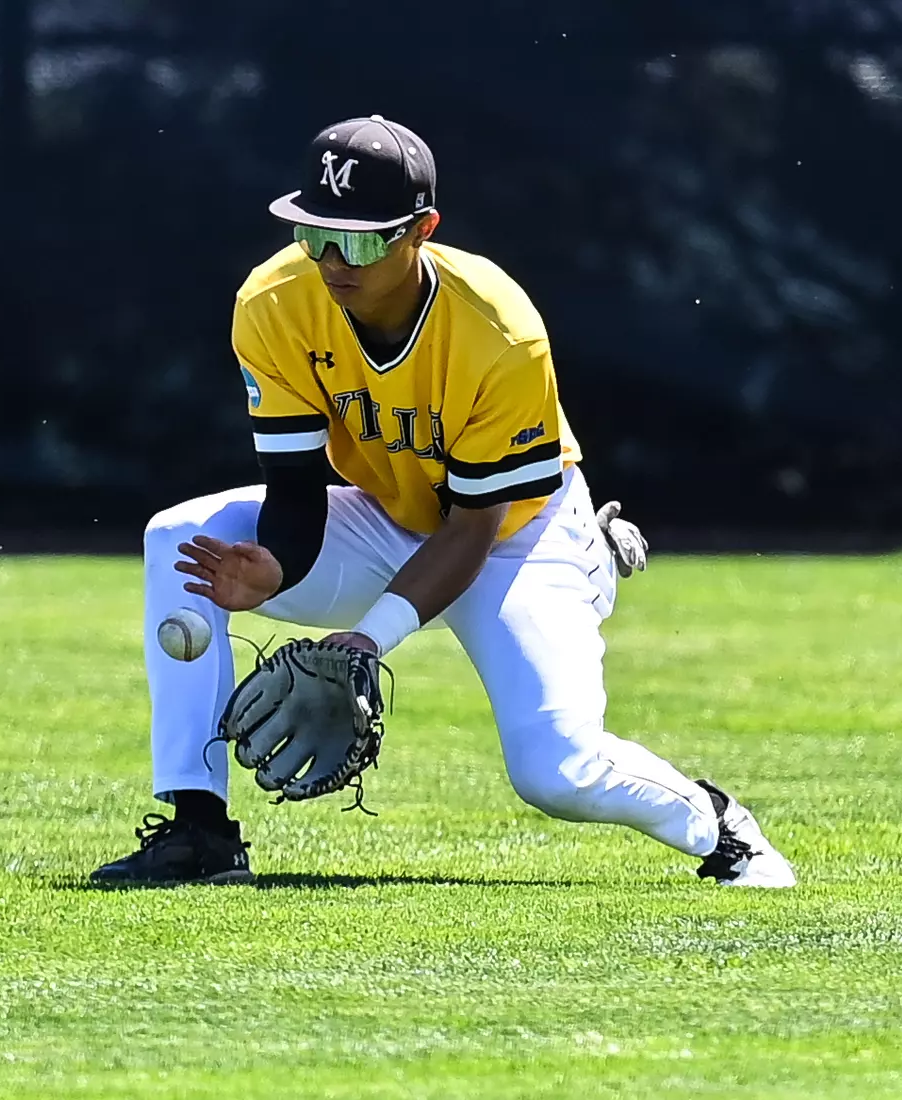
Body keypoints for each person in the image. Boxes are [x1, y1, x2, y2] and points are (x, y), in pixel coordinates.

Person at [91, 115, 795, 889]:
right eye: (313, 234)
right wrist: (278, 565)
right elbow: (295, 485)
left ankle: (719, 826)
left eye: (360, 242)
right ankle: (199, 831)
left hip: (516, 535)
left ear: (421, 230)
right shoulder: (275, 301)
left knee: (556, 772)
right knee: (179, 537)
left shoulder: (497, 330)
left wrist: (365, 642)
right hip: (386, 512)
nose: (332, 261)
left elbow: (471, 530)